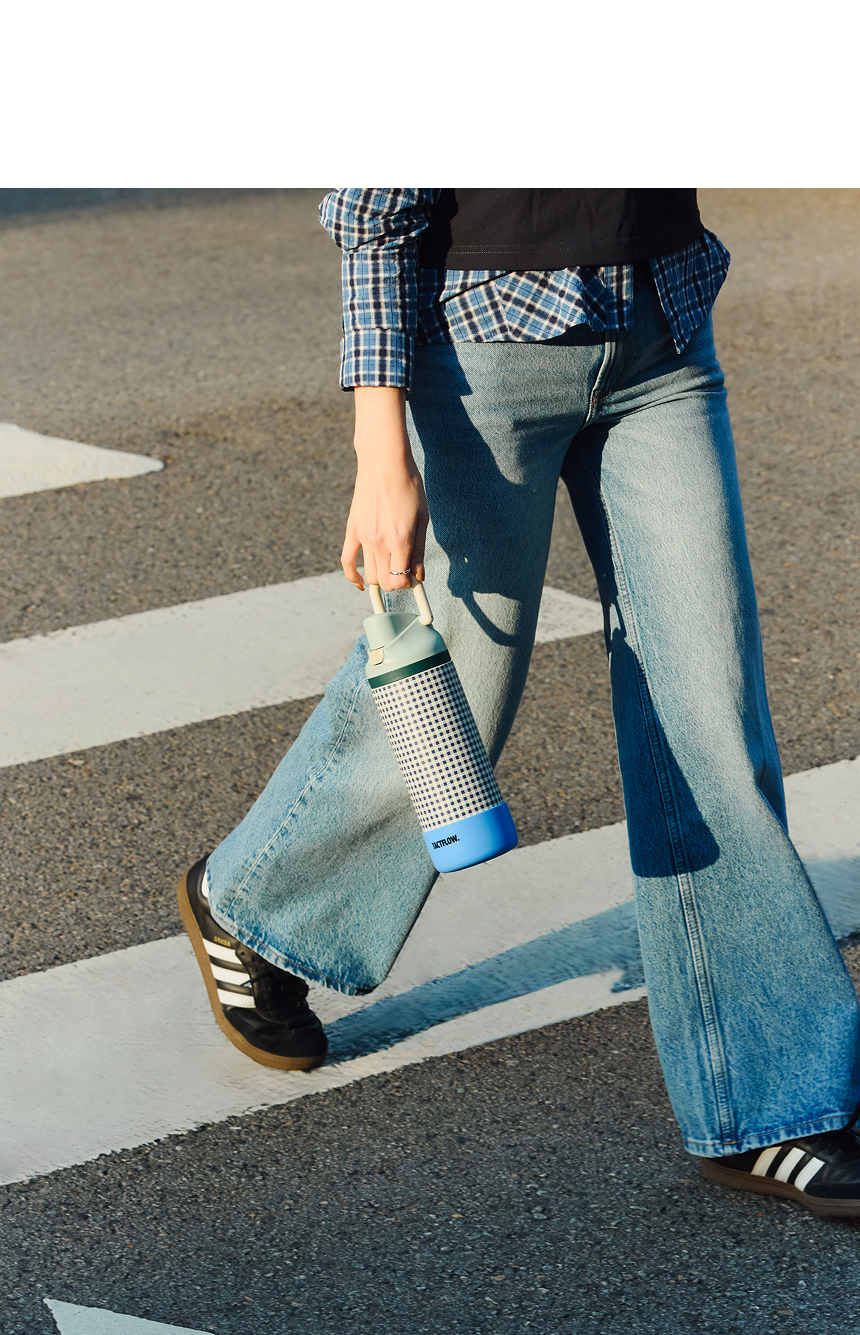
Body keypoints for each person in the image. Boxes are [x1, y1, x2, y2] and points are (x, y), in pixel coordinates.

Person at [177, 189, 860, 1218]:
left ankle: (767, 1101)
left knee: (711, 715)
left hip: (660, 330)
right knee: (457, 691)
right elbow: (373, 203)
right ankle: (257, 908)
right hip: (480, 347)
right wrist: (380, 449)